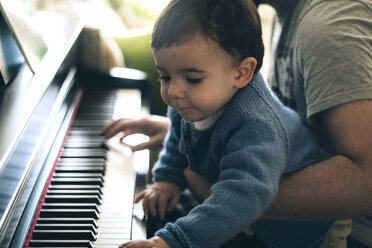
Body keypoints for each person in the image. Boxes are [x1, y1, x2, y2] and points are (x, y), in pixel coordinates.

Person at [103, 0, 372, 246]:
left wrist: (175, 241)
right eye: (164, 76)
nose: (173, 92)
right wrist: (167, 179)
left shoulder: (258, 123)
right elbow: (180, 135)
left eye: (193, 79)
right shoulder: (190, 94)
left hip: (294, 233)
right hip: (248, 208)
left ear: (243, 72)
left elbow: (244, 191)